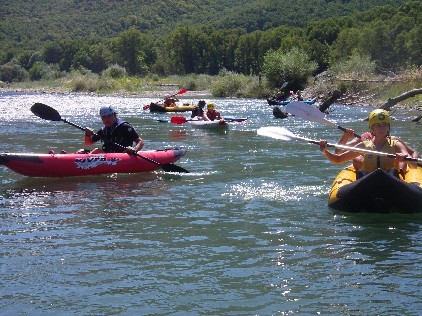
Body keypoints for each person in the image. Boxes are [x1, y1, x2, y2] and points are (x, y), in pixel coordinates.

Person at [319, 109, 414, 179]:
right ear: (372, 129)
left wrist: (405, 158)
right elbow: (338, 159)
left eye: (385, 125)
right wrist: (325, 151)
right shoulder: (364, 146)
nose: (382, 129)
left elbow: (413, 165)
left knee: (392, 171)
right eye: (378, 126)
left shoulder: (395, 144)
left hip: (391, 182)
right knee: (361, 173)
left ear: (388, 128)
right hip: (368, 182)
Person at [79, 106, 144, 154]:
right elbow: (88, 143)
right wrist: (87, 134)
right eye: (104, 117)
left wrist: (134, 149)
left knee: (97, 151)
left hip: (122, 155)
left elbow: (140, 141)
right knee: (80, 151)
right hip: (108, 154)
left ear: (114, 116)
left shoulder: (125, 127)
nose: (107, 119)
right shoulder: (103, 130)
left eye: (109, 116)